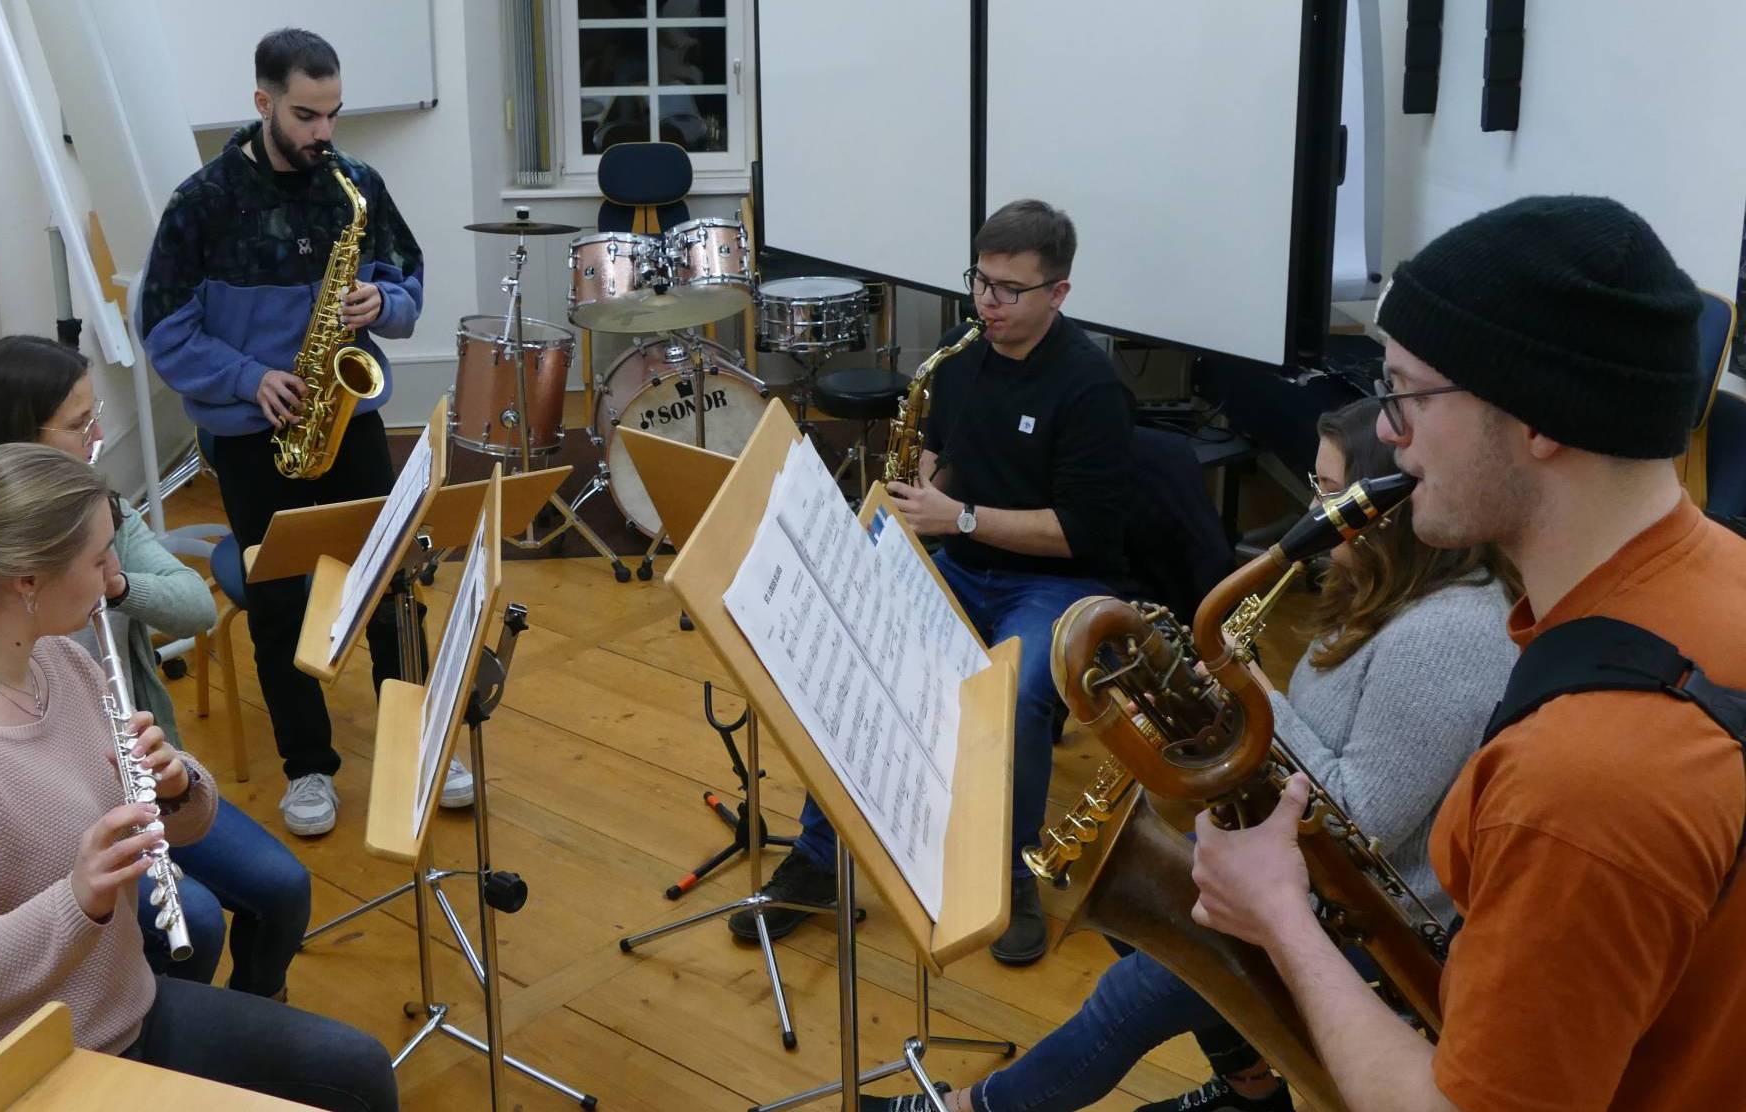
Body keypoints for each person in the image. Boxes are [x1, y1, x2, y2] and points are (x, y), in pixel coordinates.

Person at [1191, 195, 1746, 1110]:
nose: (1392, 437)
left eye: (1407, 394)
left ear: (1540, 420)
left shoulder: (1581, 783)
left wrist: (1283, 918)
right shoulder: (1719, 572)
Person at [864, 398, 1520, 1112]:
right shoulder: (1380, 590)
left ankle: (967, 1110)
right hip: (1305, 874)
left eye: (1330, 493)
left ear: (1384, 510)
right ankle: (1251, 1092)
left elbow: (1359, 822)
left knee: (1130, 997)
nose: (1313, 508)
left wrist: (1256, 695)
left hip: (1377, 918)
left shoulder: (1448, 635)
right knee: (1137, 918)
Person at [0, 443, 395, 1112]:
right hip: (0, 1073)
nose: (114, 573)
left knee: (357, 1071)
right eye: (98, 558)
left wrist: (177, 787)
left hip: (118, 1013)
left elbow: (169, 822)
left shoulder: (59, 664)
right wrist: (76, 899)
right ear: (27, 579)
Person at [732, 199, 1141, 965]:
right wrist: (912, 503)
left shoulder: (1092, 388)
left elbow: (1082, 532)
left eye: (1009, 290)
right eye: (980, 282)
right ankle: (821, 857)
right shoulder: (959, 358)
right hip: (961, 559)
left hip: (1057, 582)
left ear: (1059, 293)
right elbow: (940, 459)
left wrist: (956, 519)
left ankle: (1010, 875)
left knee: (1014, 697)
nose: (988, 303)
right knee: (848, 657)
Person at [0, 334, 310, 999]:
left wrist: (112, 584)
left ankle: (250, 1017)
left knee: (285, 887)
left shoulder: (97, 515)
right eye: (80, 424)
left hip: (134, 782)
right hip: (48, 819)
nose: (99, 437)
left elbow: (196, 606)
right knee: (193, 922)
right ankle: (150, 1044)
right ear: (17, 437)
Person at [138, 26, 469, 836]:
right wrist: (251, 378)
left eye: (333, 114)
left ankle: (416, 734)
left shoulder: (354, 185)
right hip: (258, 434)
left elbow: (408, 281)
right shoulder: (201, 203)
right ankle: (309, 767)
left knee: (392, 579)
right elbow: (164, 330)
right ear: (263, 104)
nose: (325, 133)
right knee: (281, 596)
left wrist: (379, 306)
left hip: (346, 414)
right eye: (306, 114)